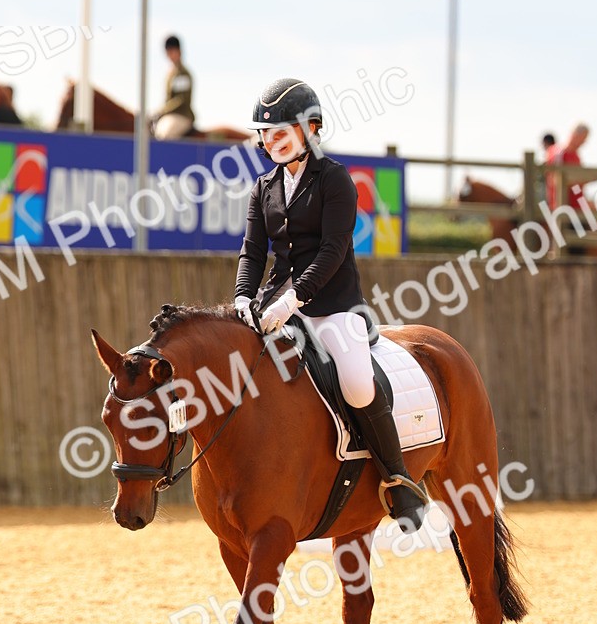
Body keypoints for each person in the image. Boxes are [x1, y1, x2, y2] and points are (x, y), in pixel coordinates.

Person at [233, 77, 426, 532]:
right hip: (274, 304)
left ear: (311, 129)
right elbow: (252, 252)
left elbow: (333, 250)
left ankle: (399, 481)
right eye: (266, 133)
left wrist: (295, 298)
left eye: (281, 131)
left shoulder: (335, 179)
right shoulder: (264, 187)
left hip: (334, 307)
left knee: (358, 384)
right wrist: (243, 296)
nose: (271, 140)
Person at [153, 35, 195, 139]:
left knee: (165, 134)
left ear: (179, 51)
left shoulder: (183, 73)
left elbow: (180, 99)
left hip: (181, 115)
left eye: (172, 51)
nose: (169, 55)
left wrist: (161, 111)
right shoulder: (171, 72)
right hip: (169, 116)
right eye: (168, 52)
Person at [546, 123, 589, 213]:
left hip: (577, 204)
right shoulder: (558, 152)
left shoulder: (576, 156)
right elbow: (556, 180)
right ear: (574, 135)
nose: (584, 142)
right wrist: (584, 179)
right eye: (583, 138)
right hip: (563, 206)